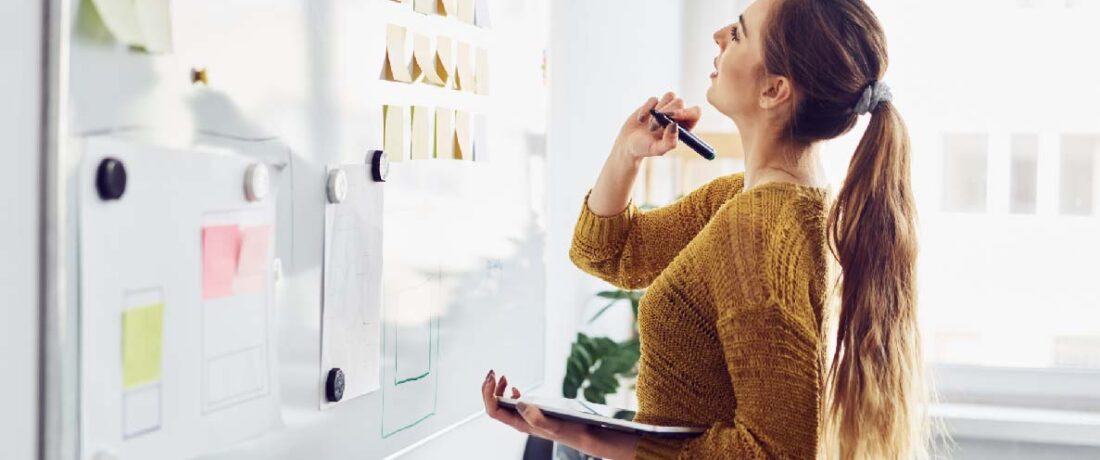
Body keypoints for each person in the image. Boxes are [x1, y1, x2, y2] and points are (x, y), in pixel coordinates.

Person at [481, 0, 928, 457]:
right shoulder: (749, 201)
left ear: (774, 89)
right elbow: (608, 252)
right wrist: (628, 153)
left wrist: (587, 436)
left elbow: (772, 453)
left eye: (737, 34)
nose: (718, 36)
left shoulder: (760, 230)